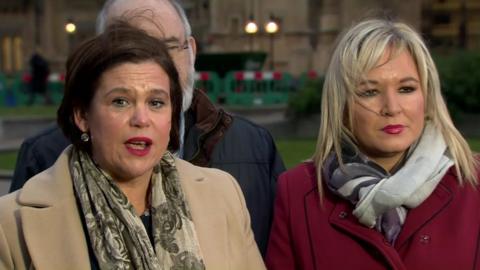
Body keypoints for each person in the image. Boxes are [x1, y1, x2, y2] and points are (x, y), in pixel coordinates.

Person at [10, 0, 285, 256]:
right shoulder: (41, 159)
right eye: (130, 48)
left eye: (166, 46)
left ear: (191, 49)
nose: (152, 63)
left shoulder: (252, 149)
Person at [266, 19, 480, 270]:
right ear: (342, 106)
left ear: (427, 96)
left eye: (406, 88)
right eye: (369, 92)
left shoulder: (473, 182)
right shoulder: (298, 190)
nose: (391, 108)